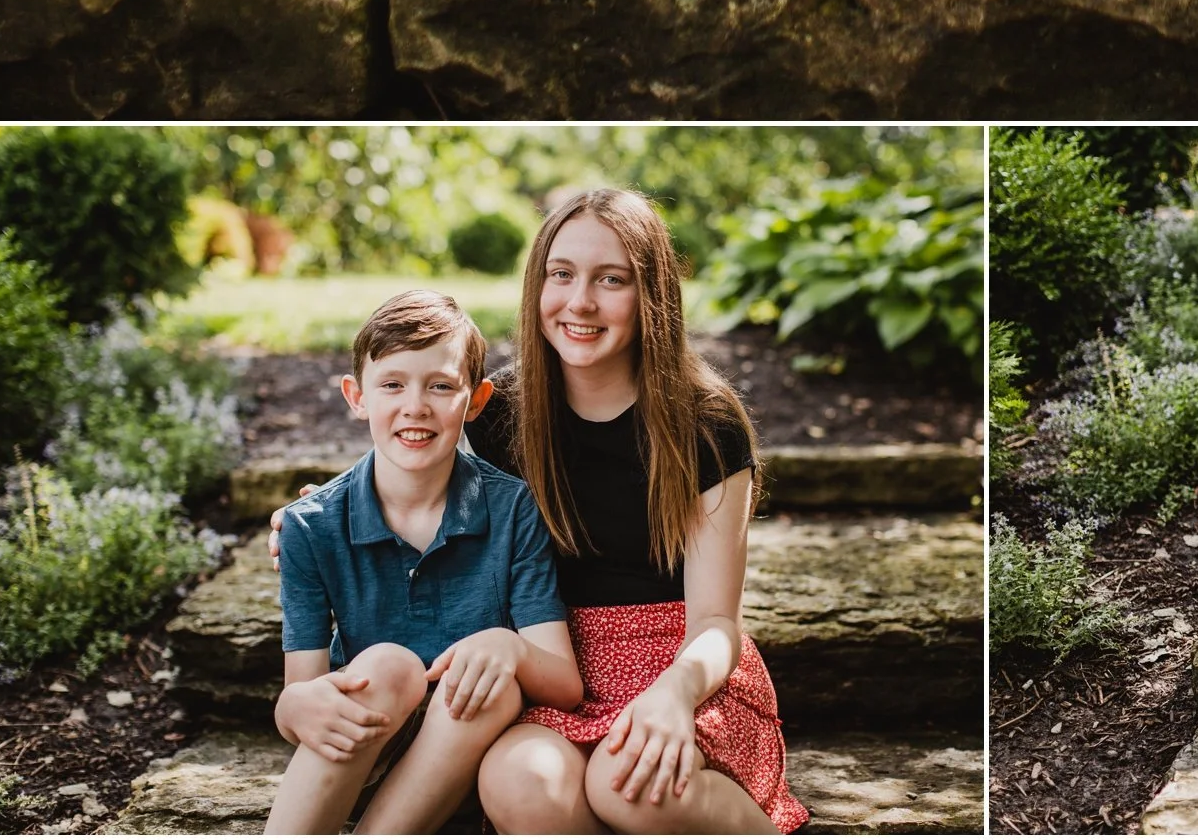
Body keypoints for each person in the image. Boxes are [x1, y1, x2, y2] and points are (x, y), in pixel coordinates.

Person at [269, 194, 810, 836]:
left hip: (681, 667)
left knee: (629, 786)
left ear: (652, 295)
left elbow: (718, 620)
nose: (579, 301)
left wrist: (675, 693)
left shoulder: (704, 425)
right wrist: (317, 511)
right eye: (561, 274)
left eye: (611, 279)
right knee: (517, 779)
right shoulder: (505, 415)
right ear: (537, 286)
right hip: (552, 664)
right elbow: (415, 459)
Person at [267, 288, 579, 836]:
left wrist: (508, 646)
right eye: (392, 384)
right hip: (367, 747)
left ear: (476, 401)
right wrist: (291, 709)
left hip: (476, 757)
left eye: (440, 386)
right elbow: (302, 693)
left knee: (492, 678)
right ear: (356, 395)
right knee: (388, 666)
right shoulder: (309, 526)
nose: (416, 406)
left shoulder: (512, 509)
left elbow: (563, 682)